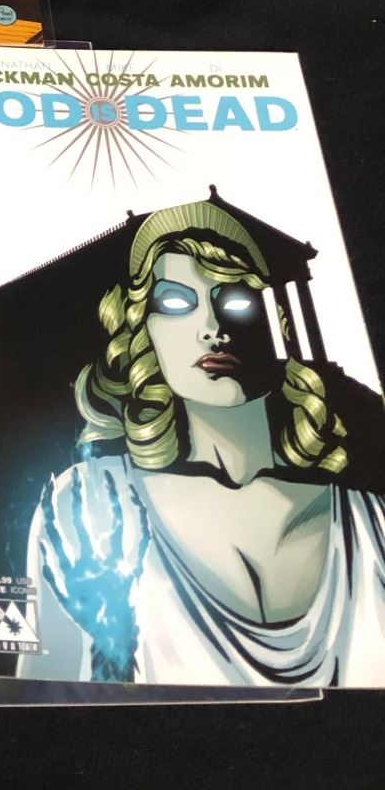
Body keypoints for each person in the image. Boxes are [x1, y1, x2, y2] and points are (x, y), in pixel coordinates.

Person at [20, 199, 385, 688]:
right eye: (175, 303)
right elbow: (38, 695)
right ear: (144, 333)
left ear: (274, 321)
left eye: (235, 301)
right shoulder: (90, 505)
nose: (213, 327)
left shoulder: (372, 522)